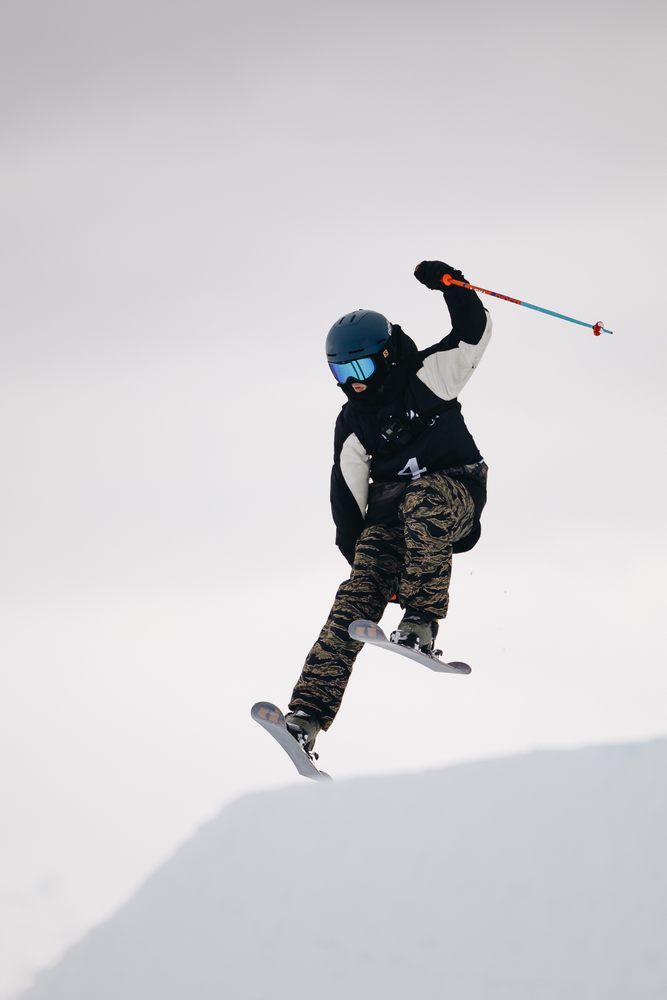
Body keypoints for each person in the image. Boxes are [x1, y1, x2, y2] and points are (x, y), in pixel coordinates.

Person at [285, 260, 493, 754]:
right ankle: (307, 716)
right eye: (341, 372)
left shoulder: (427, 377)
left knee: (423, 497)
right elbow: (347, 503)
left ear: (384, 356)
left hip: (455, 496)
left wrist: (454, 286)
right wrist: (371, 570)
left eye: (360, 369)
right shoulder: (352, 423)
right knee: (356, 594)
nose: (353, 382)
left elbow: (473, 333)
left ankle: (420, 621)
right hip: (392, 519)